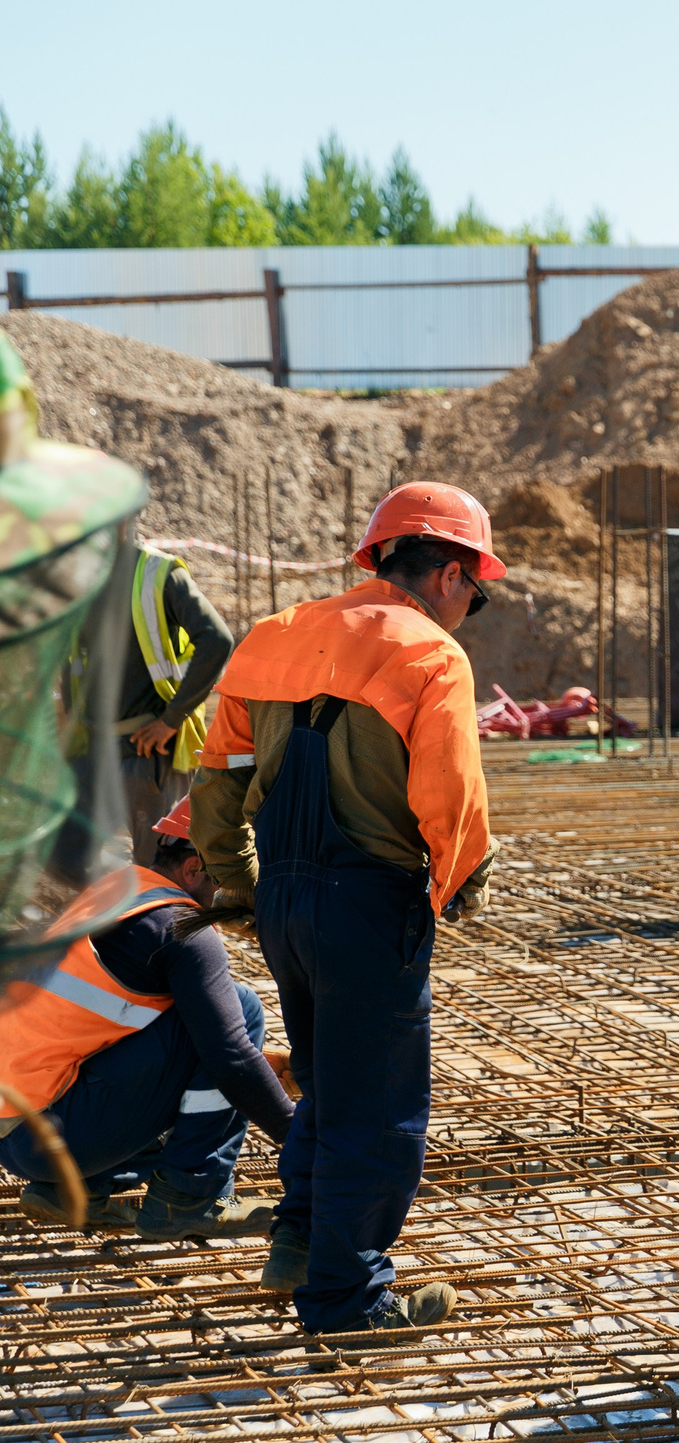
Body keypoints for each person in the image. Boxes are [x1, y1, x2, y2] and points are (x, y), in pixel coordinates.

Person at [192, 482, 501, 1346]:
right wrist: (459, 880)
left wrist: (242, 885)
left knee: (327, 1081)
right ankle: (347, 1298)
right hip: (370, 901)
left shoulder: (275, 636)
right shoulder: (432, 655)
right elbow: (450, 795)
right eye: (472, 593)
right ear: (448, 572)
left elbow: (216, 780)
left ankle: (297, 1238)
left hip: (287, 896)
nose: (466, 611)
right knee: (377, 1109)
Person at [2, 798, 295, 1240]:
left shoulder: (119, 890)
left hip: (21, 1129)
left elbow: (109, 1023)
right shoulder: (182, 929)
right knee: (243, 1009)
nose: (241, 898)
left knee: (217, 1037)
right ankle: (191, 1196)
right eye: (235, 882)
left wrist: (260, 1066)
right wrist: (298, 1135)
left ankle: (77, 1189)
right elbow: (230, 1057)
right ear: (194, 868)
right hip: (48, 1136)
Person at [68, 538, 234, 863]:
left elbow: (216, 641)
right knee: (104, 878)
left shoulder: (157, 574)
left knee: (162, 869)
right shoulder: (79, 578)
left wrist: (171, 720)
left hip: (150, 756)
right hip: (99, 751)